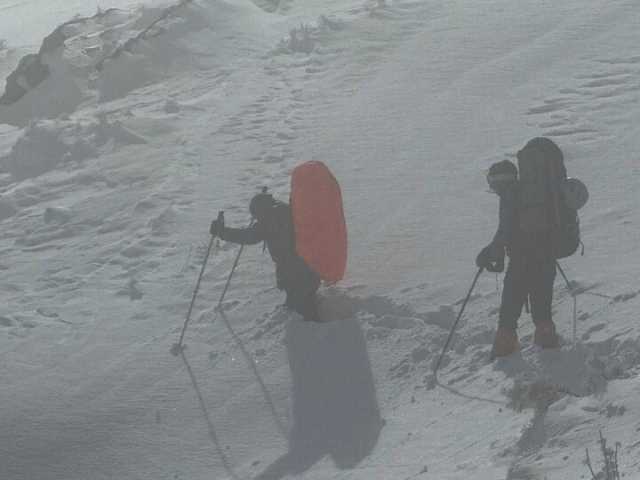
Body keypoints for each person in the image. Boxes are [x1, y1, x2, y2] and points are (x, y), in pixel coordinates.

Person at [477, 138, 562, 359]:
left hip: (522, 259)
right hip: (547, 254)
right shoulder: (534, 193)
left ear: (498, 181)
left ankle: (505, 349)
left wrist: (490, 252)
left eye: (492, 183)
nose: (493, 189)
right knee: (542, 302)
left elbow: (506, 229)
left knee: (510, 305)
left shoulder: (510, 194)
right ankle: (549, 349)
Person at [210, 189, 321, 322]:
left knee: (305, 314)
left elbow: (249, 236)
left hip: (297, 273)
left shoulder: (271, 219)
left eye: (257, 216)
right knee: (300, 302)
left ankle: (315, 333)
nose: (257, 220)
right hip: (308, 268)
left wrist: (222, 232)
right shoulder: (284, 210)